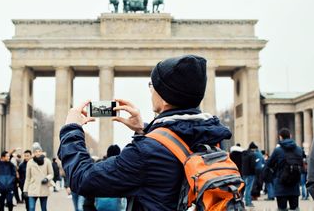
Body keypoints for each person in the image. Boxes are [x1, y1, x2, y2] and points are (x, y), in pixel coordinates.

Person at [58, 55, 233, 210]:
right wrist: (146, 129)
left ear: (163, 96)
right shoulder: (213, 137)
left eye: (152, 85)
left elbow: (83, 179)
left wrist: (71, 129)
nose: (150, 91)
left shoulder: (146, 152)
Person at [266, 128, 303, 211]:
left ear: (280, 137)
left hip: (281, 184)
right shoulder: (299, 149)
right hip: (295, 184)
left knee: (282, 208)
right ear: (290, 136)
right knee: (295, 208)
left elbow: (269, 164)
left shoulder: (278, 150)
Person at [95, 145, 126, 211]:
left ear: (107, 153)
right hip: (115, 204)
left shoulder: (98, 166)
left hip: (100, 203)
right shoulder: (122, 168)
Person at [23, 142, 54, 211]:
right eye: (36, 151)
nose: (38, 153)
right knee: (31, 208)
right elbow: (27, 177)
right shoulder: (30, 162)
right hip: (32, 187)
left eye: (39, 151)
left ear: (41, 152)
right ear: (33, 153)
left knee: (43, 208)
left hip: (43, 187)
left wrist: (47, 178)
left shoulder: (47, 161)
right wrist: (25, 190)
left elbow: (51, 174)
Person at [241, 142, 257, 207]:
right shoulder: (252, 154)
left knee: (244, 188)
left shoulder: (244, 154)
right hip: (250, 173)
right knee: (249, 188)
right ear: (253, 148)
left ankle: (242, 201)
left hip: (244, 173)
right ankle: (248, 202)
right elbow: (253, 165)